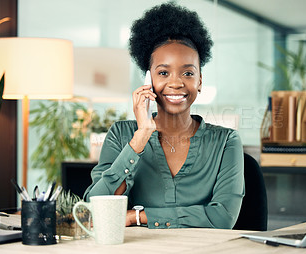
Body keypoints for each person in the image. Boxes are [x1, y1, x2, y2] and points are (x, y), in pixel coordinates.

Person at [84, 2, 244, 229]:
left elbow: (222, 218)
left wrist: (137, 217)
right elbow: (95, 206)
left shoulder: (226, 142)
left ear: (199, 81)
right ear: (148, 80)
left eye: (188, 73)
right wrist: (140, 137)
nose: (176, 82)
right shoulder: (121, 135)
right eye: (163, 72)